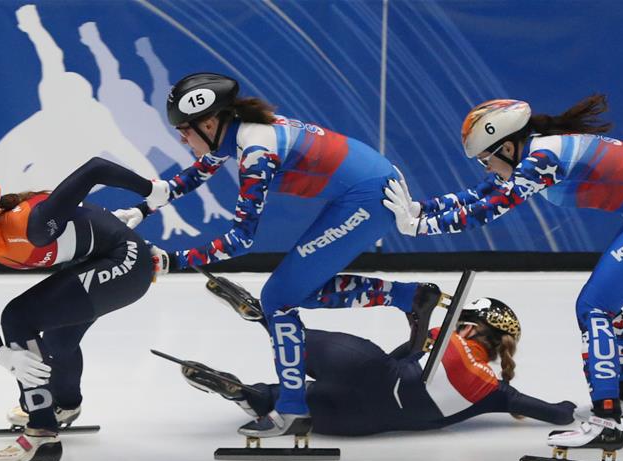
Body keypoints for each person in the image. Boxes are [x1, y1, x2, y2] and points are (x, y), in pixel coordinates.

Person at [383, 95, 623, 453]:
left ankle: (605, 421)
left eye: (485, 159)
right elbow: (478, 195)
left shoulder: (543, 158)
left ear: (507, 147)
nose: (486, 168)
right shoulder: (537, 152)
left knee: (594, 306)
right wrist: (420, 209)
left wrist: (419, 228)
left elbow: (489, 210)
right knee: (605, 304)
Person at [118, 72, 421, 439]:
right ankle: (410, 297)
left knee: (277, 299)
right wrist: (142, 210)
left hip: (370, 197)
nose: (181, 139)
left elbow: (240, 240)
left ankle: (292, 410)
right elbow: (196, 173)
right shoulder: (236, 131)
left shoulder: (257, 151)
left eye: (184, 129)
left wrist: (172, 261)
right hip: (365, 185)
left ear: (210, 122)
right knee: (297, 291)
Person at [0, 157, 161, 461]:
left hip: (127, 261)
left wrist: (152, 191)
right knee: (58, 341)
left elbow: (95, 169)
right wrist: (3, 356)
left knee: (18, 316)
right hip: (92, 260)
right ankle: (63, 405)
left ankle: (41, 432)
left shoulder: (33, 226)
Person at [181, 291, 575, 435]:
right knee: (299, 399)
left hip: (369, 370)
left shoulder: (446, 341)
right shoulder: (494, 389)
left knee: (296, 348)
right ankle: (250, 396)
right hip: (358, 422)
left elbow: (396, 360)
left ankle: (265, 318)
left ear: (469, 329)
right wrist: (570, 409)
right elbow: (553, 414)